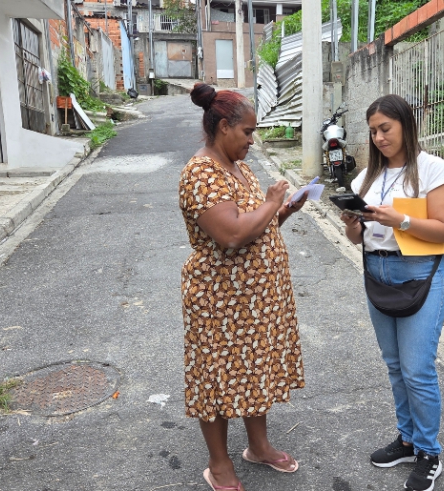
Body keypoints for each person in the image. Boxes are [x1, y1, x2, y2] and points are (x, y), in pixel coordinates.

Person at [179, 83, 308, 491]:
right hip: (220, 300)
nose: (252, 140)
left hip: (254, 300)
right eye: (247, 132)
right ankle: (218, 465)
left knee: (254, 369)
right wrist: (270, 203)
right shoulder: (201, 173)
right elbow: (232, 235)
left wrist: (282, 212)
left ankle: (259, 446)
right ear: (223, 127)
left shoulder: (238, 167)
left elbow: (256, 227)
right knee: (217, 377)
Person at [340, 94, 444, 491]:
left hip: (421, 273)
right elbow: (358, 237)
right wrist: (352, 225)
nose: (378, 138)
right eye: (373, 131)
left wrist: (401, 220)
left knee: (417, 370)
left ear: (406, 124)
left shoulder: (432, 170)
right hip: (377, 271)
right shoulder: (365, 179)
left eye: (385, 129)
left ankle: (429, 452)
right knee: (394, 366)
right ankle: (407, 440)